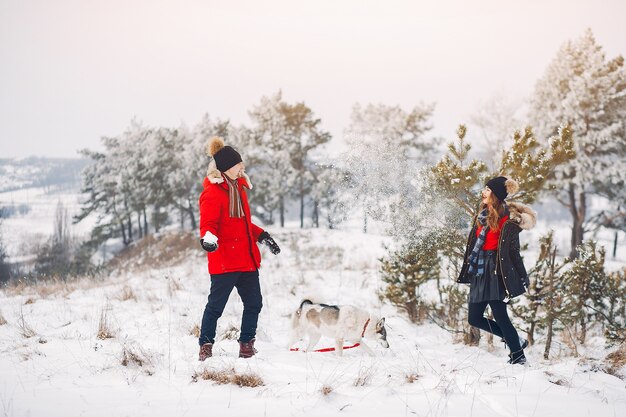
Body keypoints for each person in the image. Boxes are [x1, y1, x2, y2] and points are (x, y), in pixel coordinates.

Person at [198, 136, 280, 360]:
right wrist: (208, 239)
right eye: (238, 164)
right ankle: (205, 346)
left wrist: (262, 235)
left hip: (246, 260)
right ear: (225, 168)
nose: (242, 167)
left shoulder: (240, 189)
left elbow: (242, 224)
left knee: (254, 303)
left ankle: (246, 345)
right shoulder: (212, 193)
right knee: (215, 308)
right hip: (225, 261)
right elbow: (208, 224)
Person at [457, 176, 537, 365]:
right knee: (474, 318)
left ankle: (518, 356)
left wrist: (522, 275)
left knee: (500, 316)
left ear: (496, 194)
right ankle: (516, 341)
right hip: (479, 270)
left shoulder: (507, 221)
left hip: (495, 271)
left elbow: (513, 252)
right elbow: (474, 244)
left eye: (487, 189)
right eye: (484, 189)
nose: (483, 192)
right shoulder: (482, 214)